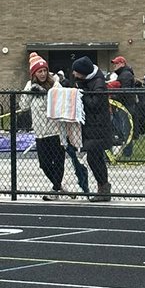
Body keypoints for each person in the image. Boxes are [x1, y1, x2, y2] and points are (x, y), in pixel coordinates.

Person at [23, 53, 73, 201]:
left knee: (58, 161)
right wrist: (30, 92)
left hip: (55, 130)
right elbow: (23, 106)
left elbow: (58, 101)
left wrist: (45, 93)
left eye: (45, 70)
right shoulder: (30, 85)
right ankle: (58, 186)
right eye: (39, 71)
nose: (43, 74)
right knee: (44, 164)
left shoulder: (55, 83)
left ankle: (55, 189)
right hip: (40, 132)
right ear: (34, 73)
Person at [69, 56, 113, 202]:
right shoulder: (89, 81)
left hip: (98, 127)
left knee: (94, 158)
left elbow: (96, 103)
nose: (74, 74)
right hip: (92, 127)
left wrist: (81, 93)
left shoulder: (98, 82)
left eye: (76, 72)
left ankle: (104, 188)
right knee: (95, 158)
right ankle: (103, 187)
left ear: (83, 72)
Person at [109, 56, 136, 156]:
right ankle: (126, 151)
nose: (114, 66)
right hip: (124, 105)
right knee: (123, 128)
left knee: (126, 129)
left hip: (126, 105)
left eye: (116, 63)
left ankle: (127, 152)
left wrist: (114, 96)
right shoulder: (123, 74)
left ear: (122, 63)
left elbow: (124, 92)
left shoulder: (125, 75)